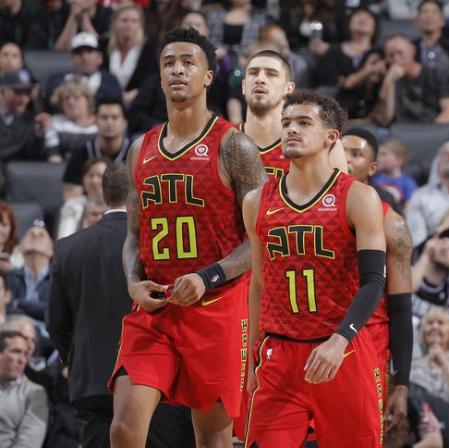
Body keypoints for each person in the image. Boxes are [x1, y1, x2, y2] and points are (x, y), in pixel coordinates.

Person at [108, 27, 267, 448]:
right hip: (156, 308)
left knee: (212, 437)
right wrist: (132, 281)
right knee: (124, 427)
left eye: (188, 62)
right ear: (159, 77)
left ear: (209, 76)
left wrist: (208, 277)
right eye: (168, 63)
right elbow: (132, 235)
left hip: (217, 307)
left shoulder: (236, 147)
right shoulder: (140, 149)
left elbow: (262, 238)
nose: (177, 70)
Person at [243, 90, 386, 446]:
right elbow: (258, 283)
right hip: (279, 356)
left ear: (330, 137)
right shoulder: (256, 201)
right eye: (287, 123)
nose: (291, 129)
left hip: (342, 350)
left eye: (304, 123)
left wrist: (340, 340)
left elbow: (373, 282)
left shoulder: (358, 197)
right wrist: (249, 357)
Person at [49, 164, 193, 448]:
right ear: (141, 195)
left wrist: (76, 359)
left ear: (104, 194)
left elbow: (56, 324)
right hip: (154, 381)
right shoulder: (162, 246)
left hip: (92, 381)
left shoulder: (68, 248)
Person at [342, 127, 414, 432]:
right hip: (309, 338)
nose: (345, 159)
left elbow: (400, 307)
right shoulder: (297, 209)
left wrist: (403, 383)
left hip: (368, 344)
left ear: (372, 168)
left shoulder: (392, 223)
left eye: (355, 154)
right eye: (341, 151)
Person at [240, 49, 347, 179]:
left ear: (289, 88)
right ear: (244, 86)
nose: (260, 79)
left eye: (271, 74)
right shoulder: (224, 138)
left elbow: (338, 195)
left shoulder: (322, 142)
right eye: (253, 73)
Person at [372, 33, 449, 126]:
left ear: (413, 50)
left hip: (433, 130)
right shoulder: (389, 78)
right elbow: (385, 119)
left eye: (400, 53)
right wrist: (388, 82)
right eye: (391, 55)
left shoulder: (438, 74)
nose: (396, 58)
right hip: (401, 132)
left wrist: (427, 135)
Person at [62, 99, 131, 194]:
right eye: (104, 117)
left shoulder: (136, 153)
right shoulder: (82, 153)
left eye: (114, 117)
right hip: (89, 206)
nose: (109, 122)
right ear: (95, 121)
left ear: (124, 123)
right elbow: (70, 195)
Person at [45, 32, 122, 109]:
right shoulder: (58, 78)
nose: (84, 57)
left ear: (99, 57)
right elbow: (52, 100)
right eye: (79, 53)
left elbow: (114, 102)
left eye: (89, 52)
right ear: (72, 58)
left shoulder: (109, 80)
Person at [0, 330, 49, 446]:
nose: (22, 360)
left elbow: (29, 443)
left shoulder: (35, 393)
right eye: (16, 352)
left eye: (25, 354)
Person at [373, 138, 418, 205]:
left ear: (399, 160)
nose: (377, 157)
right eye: (378, 154)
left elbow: (410, 208)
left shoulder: (408, 183)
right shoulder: (373, 179)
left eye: (383, 154)